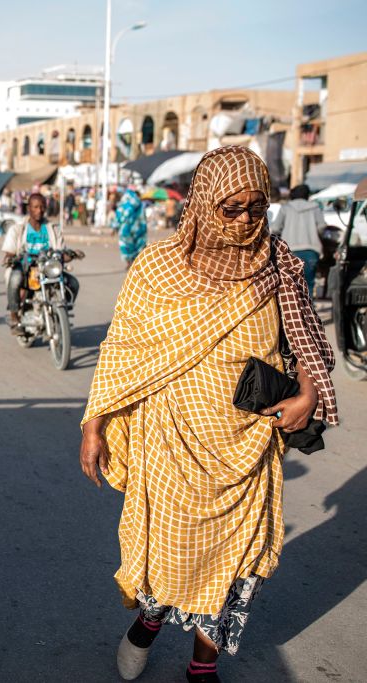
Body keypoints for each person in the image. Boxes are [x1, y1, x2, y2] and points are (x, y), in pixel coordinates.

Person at [78, 146, 338, 683]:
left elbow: (306, 338)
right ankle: (148, 625)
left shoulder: (278, 263)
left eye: (256, 208)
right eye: (231, 208)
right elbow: (121, 348)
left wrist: (309, 392)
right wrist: (94, 425)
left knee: (234, 560)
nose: (246, 221)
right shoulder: (156, 269)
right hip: (171, 441)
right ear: (201, 204)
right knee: (170, 552)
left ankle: (203, 662)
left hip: (250, 441)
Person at [1, 193, 80, 332]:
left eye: (42, 207)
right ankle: (14, 315)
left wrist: (72, 254)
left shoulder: (53, 229)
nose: (39, 210)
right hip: (26, 268)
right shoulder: (18, 229)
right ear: (29, 208)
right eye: (36, 207)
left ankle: (61, 312)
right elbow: (10, 252)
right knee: (15, 279)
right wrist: (10, 258)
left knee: (73, 283)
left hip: (48, 268)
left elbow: (61, 252)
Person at [271, 184, 325, 297]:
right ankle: (308, 313)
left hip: (289, 252)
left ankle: (295, 313)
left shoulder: (286, 208)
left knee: (290, 287)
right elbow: (322, 227)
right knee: (308, 286)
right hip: (311, 250)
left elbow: (275, 229)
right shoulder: (315, 207)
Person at [113, 188, 147, 268]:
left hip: (126, 229)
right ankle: (137, 263)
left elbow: (120, 215)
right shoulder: (140, 204)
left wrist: (115, 227)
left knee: (126, 245)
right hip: (139, 228)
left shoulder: (124, 204)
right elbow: (143, 218)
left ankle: (129, 262)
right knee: (138, 245)